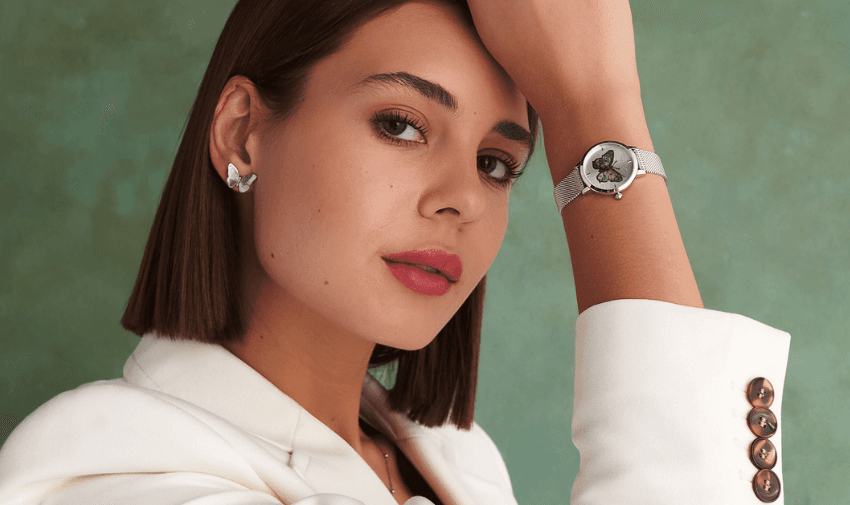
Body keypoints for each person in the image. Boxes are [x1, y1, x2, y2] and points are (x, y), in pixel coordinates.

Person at [0, 0, 791, 504]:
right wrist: (595, 113)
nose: (461, 198)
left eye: (496, 164)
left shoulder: (460, 463)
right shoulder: (112, 473)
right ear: (243, 130)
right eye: (402, 124)